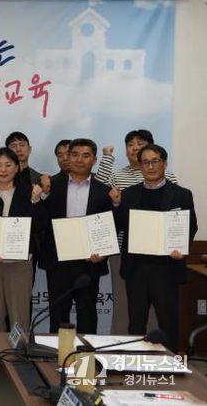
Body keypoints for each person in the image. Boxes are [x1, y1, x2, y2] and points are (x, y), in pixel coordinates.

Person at [110, 144, 197, 351]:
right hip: (136, 268)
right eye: (145, 162)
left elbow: (190, 226)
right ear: (140, 166)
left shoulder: (181, 194)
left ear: (164, 163)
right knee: (136, 322)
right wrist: (116, 205)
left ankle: (169, 364)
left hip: (166, 268)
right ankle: (137, 362)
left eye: (155, 161)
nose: (150, 166)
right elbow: (118, 225)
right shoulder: (129, 194)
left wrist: (182, 249)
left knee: (168, 322)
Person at [94, 129, 178, 335]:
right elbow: (97, 190)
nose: (135, 148)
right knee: (125, 304)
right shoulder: (117, 176)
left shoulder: (167, 176)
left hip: (160, 253)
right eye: (130, 144)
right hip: (125, 251)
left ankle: (154, 344)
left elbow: (177, 216)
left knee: (157, 305)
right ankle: (122, 344)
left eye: (140, 143)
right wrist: (107, 158)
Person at [40, 138, 112, 333]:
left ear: (94, 160)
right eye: (75, 155)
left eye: (85, 155)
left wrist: (103, 252)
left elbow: (109, 226)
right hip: (58, 262)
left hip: (90, 261)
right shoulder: (51, 186)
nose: (79, 160)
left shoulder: (104, 191)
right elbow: (40, 219)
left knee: (87, 312)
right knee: (58, 313)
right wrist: (42, 195)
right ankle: (58, 350)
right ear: (68, 157)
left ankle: (85, 351)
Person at [0, 148, 44, 333]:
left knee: (19, 317)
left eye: (8, 165)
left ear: (17, 167)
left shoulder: (28, 193)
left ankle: (18, 352)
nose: (3, 170)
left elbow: (40, 226)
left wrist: (36, 202)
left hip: (19, 264)